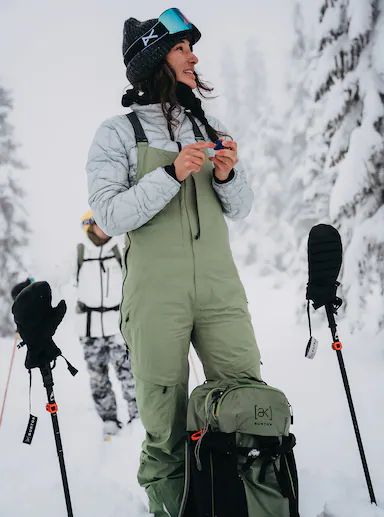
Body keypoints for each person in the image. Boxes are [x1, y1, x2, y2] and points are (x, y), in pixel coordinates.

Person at [86, 7, 261, 515]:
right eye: (182, 48)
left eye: (190, 48)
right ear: (154, 60)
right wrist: (171, 175)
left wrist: (227, 175)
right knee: (164, 425)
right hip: (154, 297)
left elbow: (243, 208)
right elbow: (111, 214)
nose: (194, 57)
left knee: (246, 400)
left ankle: (247, 502)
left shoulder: (209, 124)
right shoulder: (116, 133)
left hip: (219, 290)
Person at [76, 210, 138, 439]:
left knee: (129, 373)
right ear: (90, 226)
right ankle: (109, 419)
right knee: (98, 377)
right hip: (89, 328)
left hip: (118, 326)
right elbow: (55, 276)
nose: (104, 227)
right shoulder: (80, 251)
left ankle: (137, 416)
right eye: (98, 223)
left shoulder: (120, 248)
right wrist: (29, 286)